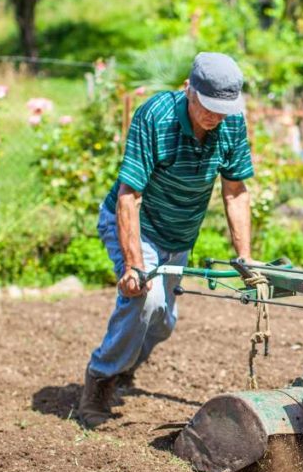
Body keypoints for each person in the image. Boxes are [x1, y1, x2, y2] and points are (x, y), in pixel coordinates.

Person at [78, 52, 254, 428]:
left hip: (180, 235)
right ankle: (100, 378)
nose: (215, 116)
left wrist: (245, 257)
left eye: (223, 109)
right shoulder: (155, 116)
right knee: (145, 298)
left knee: (163, 322)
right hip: (137, 224)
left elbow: (235, 190)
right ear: (189, 89)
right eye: (208, 107)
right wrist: (133, 266)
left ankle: (125, 364)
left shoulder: (232, 123)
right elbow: (130, 196)